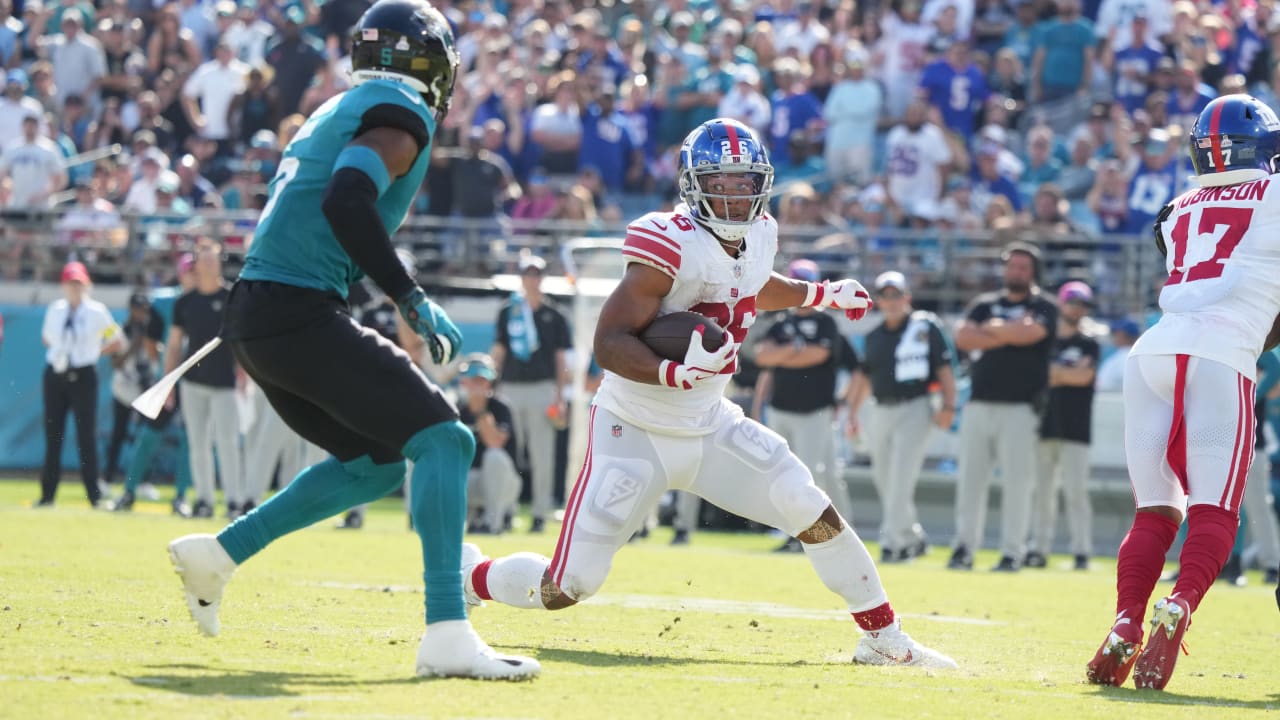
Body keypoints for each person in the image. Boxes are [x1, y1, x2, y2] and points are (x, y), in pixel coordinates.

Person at [464, 118, 956, 669]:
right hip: (636, 428)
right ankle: (472, 576)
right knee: (567, 586)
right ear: (693, 184)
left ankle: (884, 640)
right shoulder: (669, 242)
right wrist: (672, 374)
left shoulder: (761, 232)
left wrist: (818, 293)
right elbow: (609, 341)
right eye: (719, 182)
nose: (734, 193)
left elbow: (752, 283)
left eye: (744, 181)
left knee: (808, 504)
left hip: (710, 421)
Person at [164, 0, 538, 680]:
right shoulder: (400, 111)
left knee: (377, 464)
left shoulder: (337, 107)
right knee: (446, 439)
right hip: (293, 309)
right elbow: (344, 201)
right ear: (427, 61)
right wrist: (410, 297)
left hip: (259, 314)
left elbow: (321, 214)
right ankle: (448, 630)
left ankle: (218, 555)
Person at [1086, 94, 1280, 690]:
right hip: (1223, 355)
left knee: (1154, 509)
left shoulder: (1175, 206)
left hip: (1155, 350)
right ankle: (1180, 603)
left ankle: (1125, 622)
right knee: (1215, 511)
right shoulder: (1273, 193)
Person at [949, 242, 1058, 572]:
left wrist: (993, 331)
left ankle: (1013, 552)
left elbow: (1031, 333)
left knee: (1018, 483)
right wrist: (1006, 332)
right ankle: (964, 548)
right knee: (970, 481)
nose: (1016, 272)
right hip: (979, 404)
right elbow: (963, 338)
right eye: (1012, 266)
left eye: (1023, 267)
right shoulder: (984, 303)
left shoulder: (1044, 306)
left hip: (1021, 408)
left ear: (1034, 272)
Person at [849, 271, 957, 563]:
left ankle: (893, 543)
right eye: (886, 296)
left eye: (897, 295)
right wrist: (852, 414)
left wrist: (949, 406)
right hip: (881, 408)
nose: (892, 301)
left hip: (916, 406)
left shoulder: (925, 327)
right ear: (879, 301)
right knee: (884, 479)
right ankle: (913, 536)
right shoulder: (874, 336)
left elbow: (946, 369)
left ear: (907, 297)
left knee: (901, 478)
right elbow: (864, 377)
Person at [753, 258, 857, 552]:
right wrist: (796, 351)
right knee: (786, 474)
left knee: (812, 474)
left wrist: (784, 354)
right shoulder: (781, 322)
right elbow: (762, 357)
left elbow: (818, 356)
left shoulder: (826, 321)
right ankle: (797, 533)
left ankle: (821, 533)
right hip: (781, 408)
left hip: (815, 410)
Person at [489, 253, 572, 534]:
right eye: (528, 274)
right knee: (510, 453)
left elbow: (561, 359)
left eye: (537, 274)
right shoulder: (508, 311)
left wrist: (559, 395)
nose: (533, 279)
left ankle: (539, 513)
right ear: (522, 278)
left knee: (542, 455)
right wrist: (492, 385)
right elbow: (499, 351)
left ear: (543, 278)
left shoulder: (555, 314)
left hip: (541, 388)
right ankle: (508, 510)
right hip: (510, 388)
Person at [166, 239, 244, 519]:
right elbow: (175, 344)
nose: (210, 264)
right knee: (197, 443)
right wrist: (168, 383)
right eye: (204, 259)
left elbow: (241, 341)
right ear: (196, 265)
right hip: (193, 383)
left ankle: (234, 500)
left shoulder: (231, 296)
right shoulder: (185, 302)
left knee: (228, 443)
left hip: (224, 383)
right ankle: (204, 499)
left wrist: (244, 374)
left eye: (214, 259)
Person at [1026, 281, 1099, 571]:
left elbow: (1084, 377)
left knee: (1076, 492)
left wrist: (1058, 374)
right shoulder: (1046, 341)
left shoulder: (1089, 342)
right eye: (1073, 302)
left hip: (1076, 428)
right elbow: (1041, 376)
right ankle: (1039, 549)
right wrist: (1066, 372)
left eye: (1082, 304)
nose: (1077, 309)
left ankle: (1082, 551)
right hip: (1045, 426)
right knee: (1042, 492)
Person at [38, 261, 123, 507]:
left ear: (86, 285)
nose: (75, 288)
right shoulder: (55, 309)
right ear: (63, 285)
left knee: (86, 435)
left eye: (79, 283)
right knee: (53, 435)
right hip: (56, 374)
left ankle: (93, 495)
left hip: (84, 374)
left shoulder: (96, 311)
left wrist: (93, 353)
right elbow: (46, 338)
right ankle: (47, 495)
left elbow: (115, 340)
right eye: (70, 283)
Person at [102, 292, 164, 495]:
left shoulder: (153, 330)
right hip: (124, 389)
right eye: (137, 309)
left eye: (143, 310)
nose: (140, 314)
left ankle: (143, 480)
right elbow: (115, 362)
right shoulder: (121, 330)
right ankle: (107, 479)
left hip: (145, 389)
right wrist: (134, 345)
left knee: (144, 437)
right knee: (118, 435)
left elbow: (158, 356)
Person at [456, 353, 521, 535]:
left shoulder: (501, 408)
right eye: (473, 380)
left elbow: (494, 442)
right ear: (464, 382)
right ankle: (456, 522)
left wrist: (480, 412)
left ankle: (492, 523)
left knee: (493, 456)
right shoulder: (456, 411)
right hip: (470, 481)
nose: (478, 385)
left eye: (482, 380)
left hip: (504, 484)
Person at [1095, 318, 1139, 392]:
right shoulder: (1126, 354)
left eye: (1115, 333)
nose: (1113, 336)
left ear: (1122, 334)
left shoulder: (1126, 356)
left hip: (1113, 400)